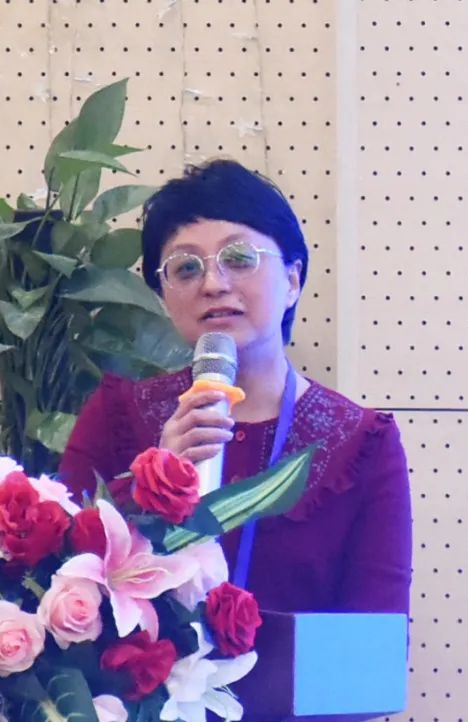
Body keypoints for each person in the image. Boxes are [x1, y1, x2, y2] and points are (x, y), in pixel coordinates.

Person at [59, 159, 412, 617]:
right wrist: (149, 487)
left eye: (240, 259)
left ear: (292, 280)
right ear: (162, 296)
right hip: (146, 667)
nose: (213, 284)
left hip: (295, 669)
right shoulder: (117, 417)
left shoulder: (362, 443)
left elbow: (375, 635)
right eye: (186, 268)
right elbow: (62, 583)